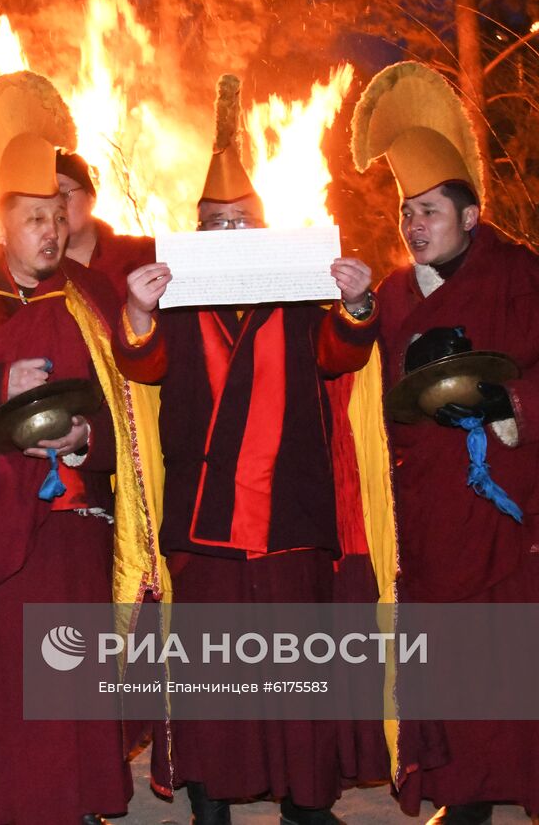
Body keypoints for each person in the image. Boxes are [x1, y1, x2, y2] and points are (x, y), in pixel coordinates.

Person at [319, 61, 539, 825]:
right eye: (406, 213)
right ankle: (467, 794)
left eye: (429, 210)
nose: (414, 225)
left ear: (472, 214)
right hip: (432, 519)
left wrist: (518, 404)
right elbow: (344, 366)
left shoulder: (524, 276)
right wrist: (351, 310)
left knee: (528, 669)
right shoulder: (391, 290)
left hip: (515, 512)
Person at [0, 71, 165, 825]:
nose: (50, 232)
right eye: (33, 218)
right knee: (1, 696)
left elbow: (131, 412)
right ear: (0, 218)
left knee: (72, 688)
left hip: (74, 530)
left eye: (57, 216)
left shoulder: (89, 294)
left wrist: (89, 442)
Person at [116, 74, 386, 825]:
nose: (230, 235)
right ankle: (211, 797)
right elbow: (143, 364)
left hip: (290, 512)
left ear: (263, 228)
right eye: (216, 223)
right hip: (207, 520)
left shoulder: (297, 292)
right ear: (196, 230)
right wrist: (137, 308)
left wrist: (357, 304)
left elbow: (339, 353)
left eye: (242, 222)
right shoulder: (171, 299)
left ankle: (304, 799)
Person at [56, 150, 155, 299]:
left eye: (63, 195)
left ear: (91, 198)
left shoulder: (142, 254)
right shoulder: (36, 273)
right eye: (48, 198)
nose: (55, 206)